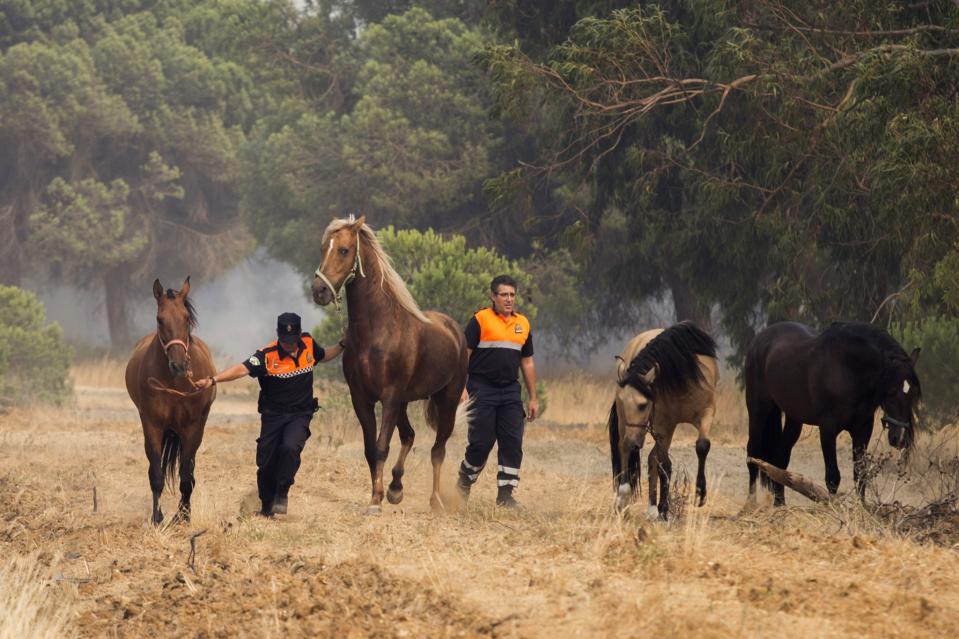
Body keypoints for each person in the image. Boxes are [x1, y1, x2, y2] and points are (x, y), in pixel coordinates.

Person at [195, 312, 344, 517]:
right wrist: (213, 380)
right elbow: (241, 369)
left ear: (300, 335)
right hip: (273, 416)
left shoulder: (309, 343)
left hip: (300, 414)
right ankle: (266, 508)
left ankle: (282, 492)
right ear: (278, 335)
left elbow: (324, 355)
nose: (288, 345)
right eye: (284, 341)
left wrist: (342, 345)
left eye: (292, 341)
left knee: (290, 448)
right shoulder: (266, 355)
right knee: (266, 461)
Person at [457, 275, 538, 508]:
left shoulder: (523, 324)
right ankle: (463, 483)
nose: (509, 299)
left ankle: (505, 496)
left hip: (510, 391)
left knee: (512, 441)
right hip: (481, 389)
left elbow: (528, 363)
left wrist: (532, 398)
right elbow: (464, 357)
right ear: (493, 296)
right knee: (481, 443)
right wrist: (461, 387)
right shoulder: (480, 320)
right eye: (504, 295)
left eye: (512, 295)